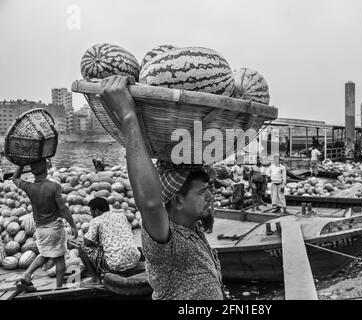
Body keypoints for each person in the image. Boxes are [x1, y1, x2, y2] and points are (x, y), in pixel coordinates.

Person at [99, 75, 222, 300]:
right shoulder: (166, 240)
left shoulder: (194, 229)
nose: (211, 197)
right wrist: (128, 116)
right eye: (203, 192)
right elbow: (151, 204)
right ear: (177, 200)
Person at [12, 159, 78, 291]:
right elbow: (63, 209)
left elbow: (14, 178)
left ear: (33, 171)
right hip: (55, 228)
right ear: (46, 170)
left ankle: (27, 274)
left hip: (40, 229)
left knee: (44, 254)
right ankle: (58, 289)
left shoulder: (29, 187)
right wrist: (73, 225)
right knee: (60, 259)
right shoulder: (54, 187)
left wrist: (21, 163)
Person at [77, 197, 141, 284]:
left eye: (91, 212)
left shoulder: (96, 221)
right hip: (134, 261)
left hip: (115, 267)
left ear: (97, 211)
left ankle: (95, 279)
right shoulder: (121, 216)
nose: (91, 215)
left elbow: (87, 243)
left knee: (82, 248)